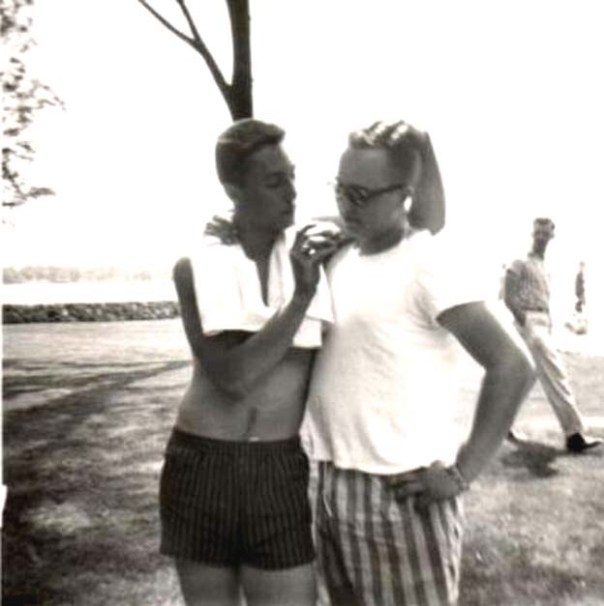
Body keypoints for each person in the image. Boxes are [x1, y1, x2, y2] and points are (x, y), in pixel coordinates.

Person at [302, 120, 536, 606]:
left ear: (404, 196)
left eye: (361, 194)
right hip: (332, 483)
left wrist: (462, 473)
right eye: (341, 189)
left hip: (400, 493)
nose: (346, 205)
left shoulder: (427, 262)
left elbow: (513, 366)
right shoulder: (341, 255)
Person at [159, 118, 340, 606]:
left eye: (292, 176)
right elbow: (233, 377)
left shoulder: (314, 249)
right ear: (233, 190)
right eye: (275, 181)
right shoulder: (197, 266)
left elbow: (400, 219)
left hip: (276, 466)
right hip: (201, 464)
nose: (292, 192)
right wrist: (300, 298)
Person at [503, 218, 602, 453]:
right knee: (557, 375)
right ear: (532, 233)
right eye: (538, 233)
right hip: (529, 322)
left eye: (545, 234)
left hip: (542, 322)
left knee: (525, 379)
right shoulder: (520, 261)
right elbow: (508, 295)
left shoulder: (544, 266)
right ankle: (574, 434)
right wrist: (525, 321)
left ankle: (502, 425)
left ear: (551, 236)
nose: (541, 238)